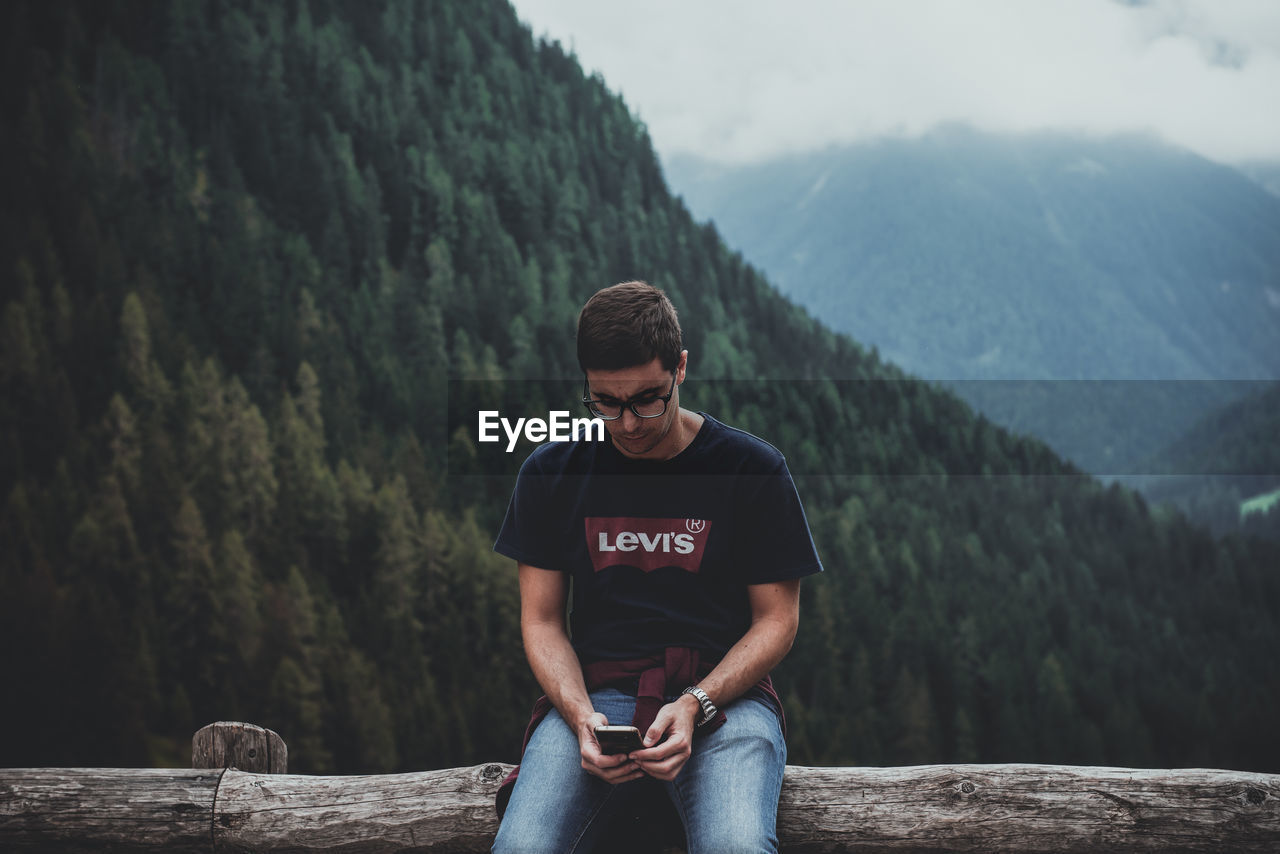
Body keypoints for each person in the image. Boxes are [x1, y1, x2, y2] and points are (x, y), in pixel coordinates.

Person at [491, 281, 823, 854]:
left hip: (727, 704)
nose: (628, 424)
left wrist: (697, 703)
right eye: (606, 402)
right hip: (597, 700)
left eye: (647, 398)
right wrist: (578, 717)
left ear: (682, 369)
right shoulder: (550, 473)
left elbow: (778, 620)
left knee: (737, 847)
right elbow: (542, 621)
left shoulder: (752, 469)